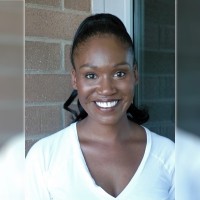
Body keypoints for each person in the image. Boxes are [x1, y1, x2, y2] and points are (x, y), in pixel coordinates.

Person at [26, 13, 174, 200]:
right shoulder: (44, 158)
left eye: (119, 73)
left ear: (135, 74)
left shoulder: (169, 156)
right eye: (91, 75)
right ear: (75, 79)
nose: (106, 89)